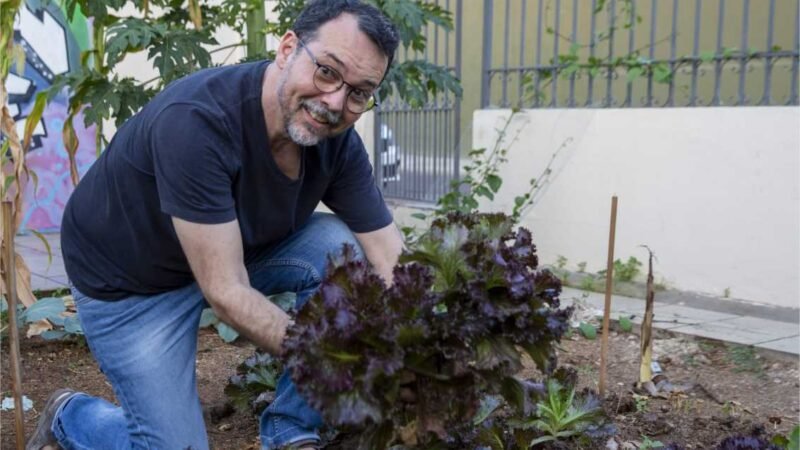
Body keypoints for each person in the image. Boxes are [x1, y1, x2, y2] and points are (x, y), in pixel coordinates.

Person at [26, 1, 403, 449]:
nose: (335, 102)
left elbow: (389, 255)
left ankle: (290, 429)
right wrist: (331, 359)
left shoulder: (335, 142)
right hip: (132, 287)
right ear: (287, 49)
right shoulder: (197, 121)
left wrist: (420, 344)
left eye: (359, 92)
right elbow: (226, 292)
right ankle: (72, 414)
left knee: (346, 254)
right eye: (326, 71)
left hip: (230, 252)